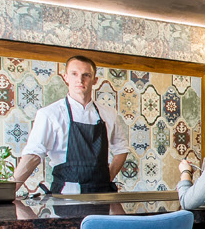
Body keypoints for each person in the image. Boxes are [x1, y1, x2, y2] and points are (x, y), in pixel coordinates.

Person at [13, 55, 129, 194]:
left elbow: (121, 149)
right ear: (65, 77)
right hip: (65, 195)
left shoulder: (109, 114)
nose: (80, 80)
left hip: (102, 194)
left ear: (95, 80)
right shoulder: (49, 114)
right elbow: (33, 155)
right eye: (74, 74)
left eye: (86, 75)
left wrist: (108, 178)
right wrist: (9, 192)